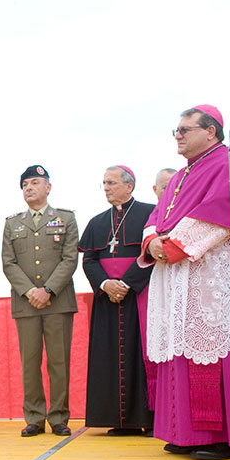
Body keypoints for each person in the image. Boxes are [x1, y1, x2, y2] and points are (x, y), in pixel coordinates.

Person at [140, 104, 230, 460]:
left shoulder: (226, 163)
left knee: (211, 353)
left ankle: (222, 437)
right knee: (181, 352)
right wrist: (152, 241)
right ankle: (187, 433)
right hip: (178, 276)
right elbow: (156, 217)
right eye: (176, 130)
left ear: (211, 132)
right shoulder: (179, 175)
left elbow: (221, 213)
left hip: (209, 276)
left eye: (185, 130)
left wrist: (171, 246)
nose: (178, 135)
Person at [1, 166, 78, 437]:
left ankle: (58, 416)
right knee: (30, 362)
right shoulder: (13, 223)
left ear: (48, 187)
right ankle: (34, 416)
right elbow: (8, 263)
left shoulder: (65, 218)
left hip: (57, 301)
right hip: (26, 303)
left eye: (35, 182)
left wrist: (47, 290)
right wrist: (30, 292)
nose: (29, 188)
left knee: (58, 361)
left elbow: (70, 259)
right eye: (25, 184)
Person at [79, 166, 156, 435]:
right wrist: (105, 284)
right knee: (108, 355)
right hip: (106, 299)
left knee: (141, 355)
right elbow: (88, 260)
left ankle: (145, 418)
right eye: (104, 183)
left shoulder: (149, 214)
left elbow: (151, 254)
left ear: (129, 186)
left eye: (111, 182)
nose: (106, 187)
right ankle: (119, 420)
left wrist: (127, 284)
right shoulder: (97, 222)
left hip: (139, 296)